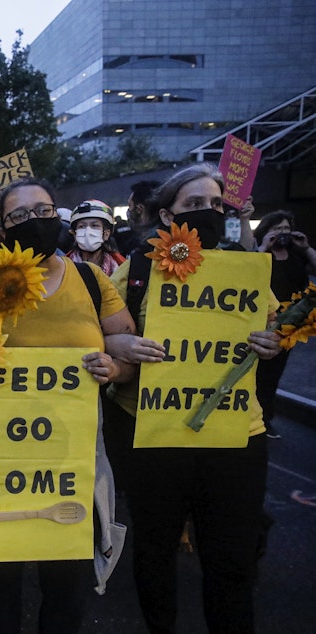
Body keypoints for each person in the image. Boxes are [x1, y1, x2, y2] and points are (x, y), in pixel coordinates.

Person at [106, 163, 282, 634]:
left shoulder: (244, 269)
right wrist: (119, 346)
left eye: (215, 204)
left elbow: (274, 328)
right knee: (156, 552)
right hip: (155, 436)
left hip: (236, 437)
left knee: (232, 560)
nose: (208, 211)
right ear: (167, 218)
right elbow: (103, 332)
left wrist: (271, 342)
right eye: (194, 204)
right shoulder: (137, 267)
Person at [0, 176, 134, 634]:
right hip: (0, 461)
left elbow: (122, 342)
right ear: (4, 230)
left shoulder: (90, 277)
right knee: (1, 581)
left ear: (58, 216)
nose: (34, 222)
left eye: (43, 212)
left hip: (74, 459)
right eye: (19, 216)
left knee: (67, 585)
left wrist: (116, 368)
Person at [252, 210, 316, 438]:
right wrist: (263, 247)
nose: (283, 233)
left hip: (289, 326)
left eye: (286, 229)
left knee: (272, 376)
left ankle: (265, 419)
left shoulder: (296, 255)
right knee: (257, 375)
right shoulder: (259, 252)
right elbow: (247, 273)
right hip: (262, 323)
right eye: (277, 228)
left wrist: (306, 247)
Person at [66, 199, 126, 276]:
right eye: (82, 226)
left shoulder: (122, 268)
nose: (88, 231)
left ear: (106, 234)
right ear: (75, 234)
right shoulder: (61, 268)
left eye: (94, 225)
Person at [113, 180, 161, 256]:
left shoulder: (141, 247)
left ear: (139, 209)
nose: (128, 211)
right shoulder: (171, 240)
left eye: (130, 206)